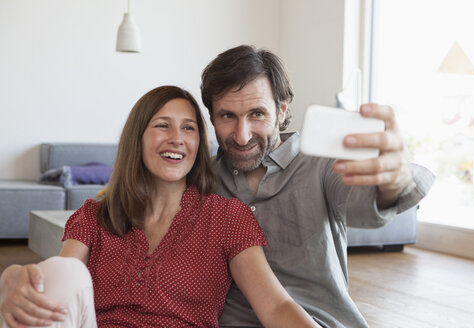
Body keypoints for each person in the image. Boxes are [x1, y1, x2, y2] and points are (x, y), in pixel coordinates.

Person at [0, 86, 320, 328]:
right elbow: (59, 281)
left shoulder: (226, 217)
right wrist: (12, 277)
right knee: (59, 270)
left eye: (189, 128)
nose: (177, 138)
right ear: (138, 138)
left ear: (198, 142)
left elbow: (277, 307)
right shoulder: (96, 215)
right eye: (162, 125)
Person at [199, 45, 435, 327]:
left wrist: (392, 183)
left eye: (257, 114)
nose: (242, 135)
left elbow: (368, 200)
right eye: (227, 116)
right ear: (212, 116)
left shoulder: (322, 163)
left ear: (282, 109)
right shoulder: (204, 179)